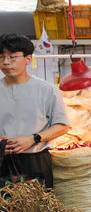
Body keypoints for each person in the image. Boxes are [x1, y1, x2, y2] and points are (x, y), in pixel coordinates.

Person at [0, 33, 69, 188]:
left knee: (37, 209)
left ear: (28, 59)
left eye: (12, 57)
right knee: (5, 210)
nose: (5, 62)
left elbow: (62, 125)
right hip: (2, 160)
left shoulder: (47, 90)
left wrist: (34, 138)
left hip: (36, 161)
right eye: (1, 57)